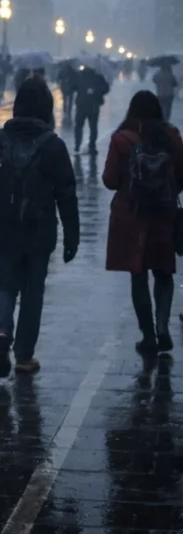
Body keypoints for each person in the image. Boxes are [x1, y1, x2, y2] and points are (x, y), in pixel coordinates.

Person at [0, 78, 80, 376]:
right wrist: (72, 236)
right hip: (39, 230)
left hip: (3, 227)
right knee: (34, 292)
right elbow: (67, 194)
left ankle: (1, 334)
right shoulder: (53, 146)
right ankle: (23, 356)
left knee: (4, 285)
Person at [102, 91, 183, 355]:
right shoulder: (171, 137)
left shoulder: (122, 138)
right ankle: (162, 327)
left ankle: (147, 334)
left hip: (131, 214)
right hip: (163, 212)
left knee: (138, 274)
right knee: (163, 271)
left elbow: (110, 180)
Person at [74, 67, 110, 155]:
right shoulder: (98, 77)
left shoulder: (79, 76)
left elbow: (73, 87)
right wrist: (97, 91)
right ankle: (92, 146)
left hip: (81, 105)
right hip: (93, 106)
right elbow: (106, 89)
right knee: (93, 127)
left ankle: (77, 145)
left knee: (79, 126)